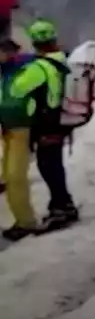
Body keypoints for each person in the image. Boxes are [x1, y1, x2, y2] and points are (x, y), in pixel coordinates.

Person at [10, 20, 78, 233]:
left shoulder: (39, 67)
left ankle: (61, 208)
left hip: (46, 123)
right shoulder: (63, 59)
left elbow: (17, 90)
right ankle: (64, 204)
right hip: (60, 120)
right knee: (54, 163)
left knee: (48, 165)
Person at [1, 38, 40, 240]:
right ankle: (22, 220)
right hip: (8, 128)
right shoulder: (6, 71)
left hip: (22, 126)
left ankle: (26, 222)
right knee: (10, 176)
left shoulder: (26, 67)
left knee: (15, 176)